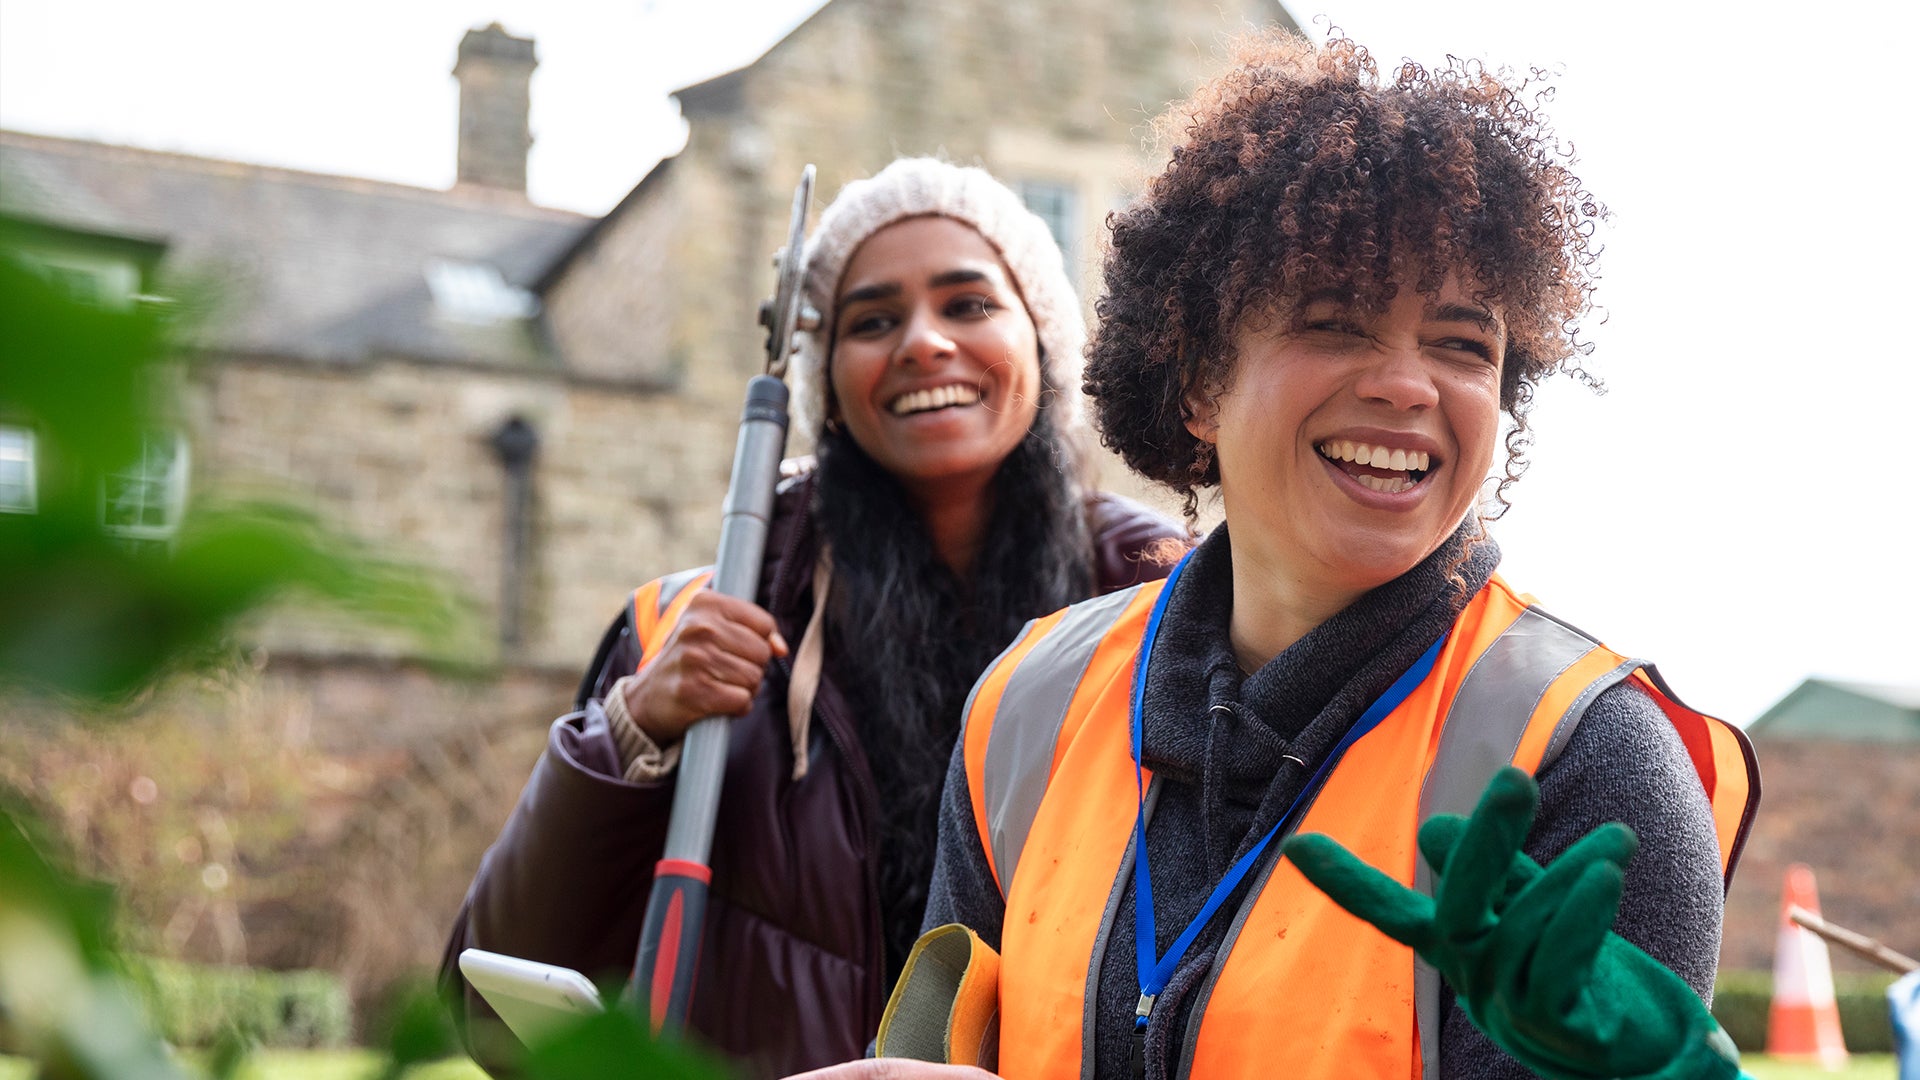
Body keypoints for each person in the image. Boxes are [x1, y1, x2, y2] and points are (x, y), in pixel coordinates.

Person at [804, 33, 1760, 1080]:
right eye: (1337, 323)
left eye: (1461, 343)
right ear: (1200, 382)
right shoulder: (1026, 709)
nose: (1408, 385)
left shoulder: (1587, 758)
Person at [439, 157, 1182, 1079]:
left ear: (1042, 339)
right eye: (872, 320)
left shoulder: (1171, 605)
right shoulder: (696, 622)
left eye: (968, 304)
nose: (921, 342)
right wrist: (631, 731)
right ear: (825, 380)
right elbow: (499, 1015)